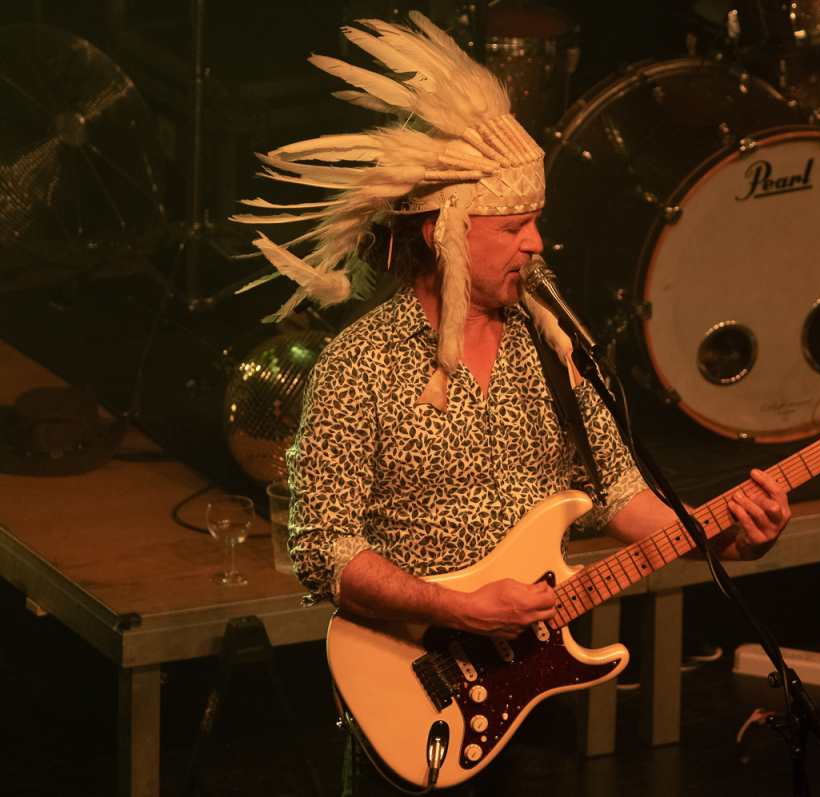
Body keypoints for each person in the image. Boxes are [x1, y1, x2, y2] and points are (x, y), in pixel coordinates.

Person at [234, 13, 791, 796]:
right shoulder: (359, 364)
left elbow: (622, 495)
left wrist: (729, 535)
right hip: (413, 691)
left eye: (537, 223)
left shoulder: (555, 349)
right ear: (444, 233)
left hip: (534, 693)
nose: (537, 243)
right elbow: (326, 551)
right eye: (515, 226)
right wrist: (462, 609)